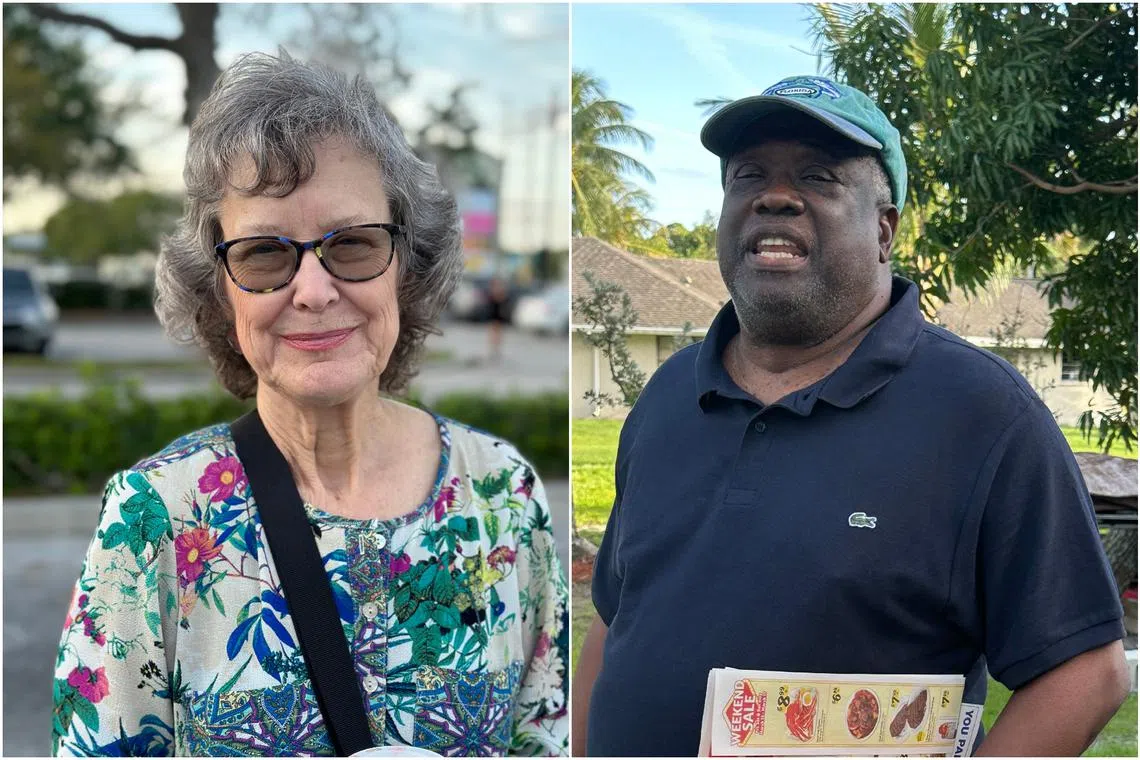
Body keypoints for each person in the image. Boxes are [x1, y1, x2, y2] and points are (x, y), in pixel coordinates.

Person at [572, 75, 1129, 756]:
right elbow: (617, 616)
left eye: (819, 176)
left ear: (884, 230)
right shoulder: (668, 395)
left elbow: (1086, 674)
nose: (775, 196)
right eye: (749, 175)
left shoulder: (982, 414)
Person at [52, 52, 568, 757]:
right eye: (265, 253)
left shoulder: (503, 491)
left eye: (352, 244)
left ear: (406, 267)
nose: (315, 291)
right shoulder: (153, 518)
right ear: (220, 290)